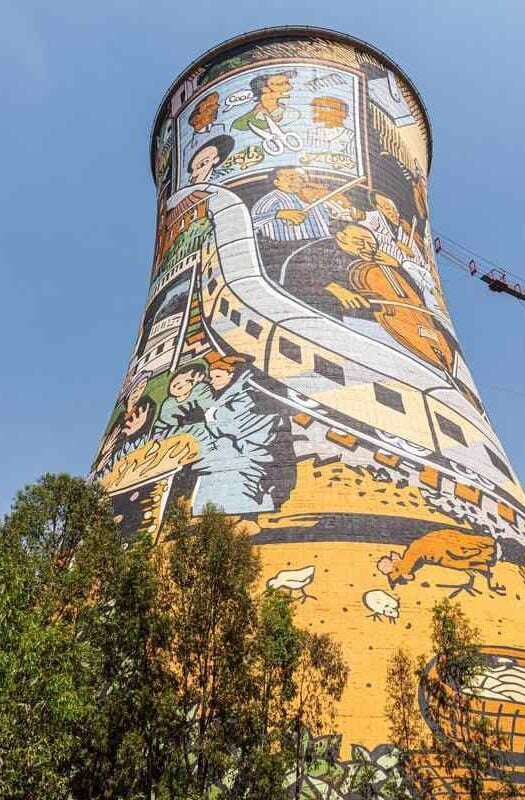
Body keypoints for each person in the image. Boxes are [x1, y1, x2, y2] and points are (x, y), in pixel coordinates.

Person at [251, 167, 363, 243]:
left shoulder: (313, 198)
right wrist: (279, 214)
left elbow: (342, 215)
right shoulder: (272, 199)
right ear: (277, 182)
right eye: (291, 178)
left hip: (322, 244)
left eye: (301, 178)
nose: (298, 181)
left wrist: (350, 211)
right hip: (286, 249)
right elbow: (250, 224)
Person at [94, 371, 156, 474]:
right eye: (136, 389)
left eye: (142, 387)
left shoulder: (147, 406)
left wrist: (135, 432)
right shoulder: (119, 418)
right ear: (129, 393)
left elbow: (146, 441)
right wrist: (103, 452)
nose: (138, 392)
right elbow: (109, 449)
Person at [153, 361, 213, 440]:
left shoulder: (201, 391)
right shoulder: (168, 403)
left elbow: (208, 406)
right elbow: (161, 425)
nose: (181, 383)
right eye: (176, 381)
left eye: (189, 381)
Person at [231, 71, 300, 132]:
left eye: (287, 83)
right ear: (265, 89)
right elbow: (267, 113)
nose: (290, 87)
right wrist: (273, 117)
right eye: (280, 84)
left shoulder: (272, 98)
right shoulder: (265, 98)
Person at [305, 96, 357, 162]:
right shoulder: (312, 133)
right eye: (315, 109)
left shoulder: (351, 136)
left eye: (318, 108)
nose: (313, 112)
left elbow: (352, 158)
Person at [183, 92, 226, 161]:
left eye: (215, 106)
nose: (214, 110)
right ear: (196, 117)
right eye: (208, 109)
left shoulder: (220, 128)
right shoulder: (189, 148)